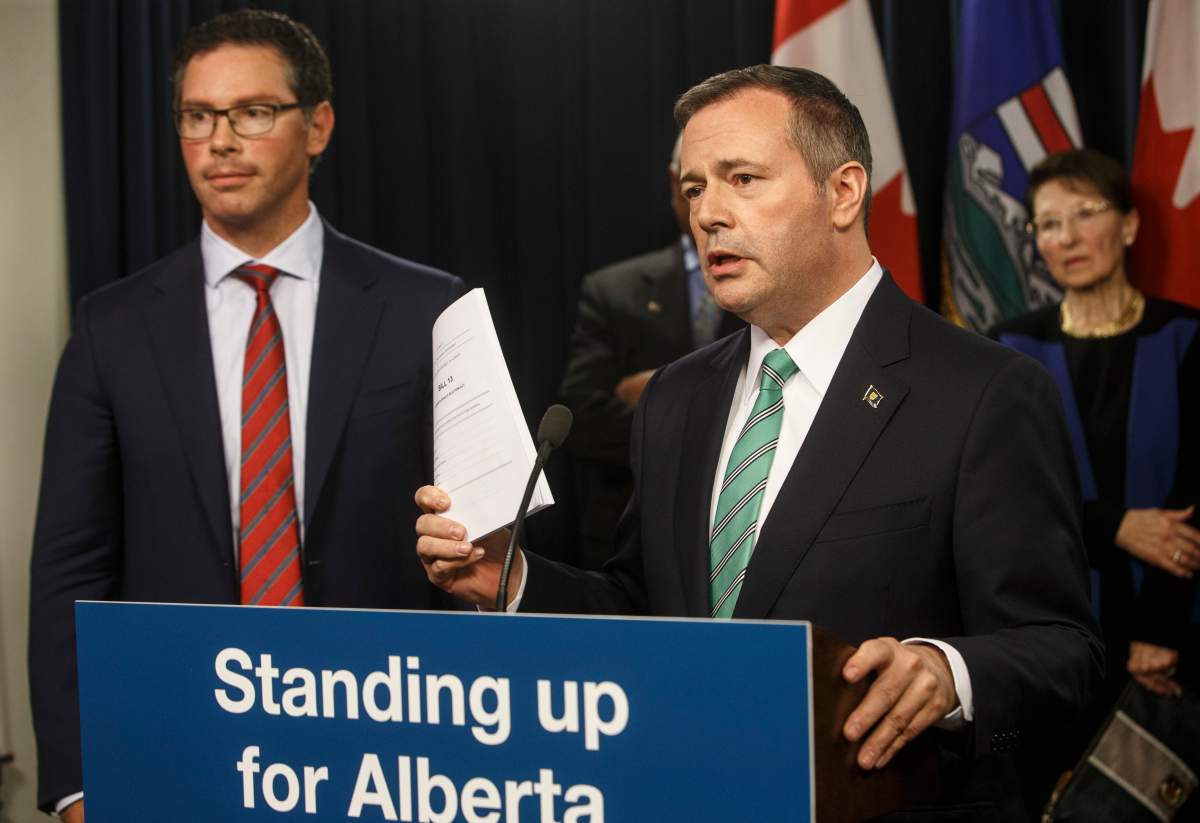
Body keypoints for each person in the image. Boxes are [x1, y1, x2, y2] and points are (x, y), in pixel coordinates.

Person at [415, 65, 1103, 817]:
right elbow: (647, 609)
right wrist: (510, 578)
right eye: (693, 188)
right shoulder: (677, 397)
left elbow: (1062, 649)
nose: (708, 213)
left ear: (843, 192)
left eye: (742, 178)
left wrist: (948, 671)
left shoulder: (982, 391)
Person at [28, 10, 463, 820]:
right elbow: (68, 571)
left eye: (253, 113)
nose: (220, 140)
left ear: (318, 125)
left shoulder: (425, 307)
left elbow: (478, 557)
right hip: (175, 740)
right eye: (198, 116)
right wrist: (77, 781)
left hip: (386, 744)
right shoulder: (110, 325)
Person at [992, 148, 1200, 813]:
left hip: (1172, 631)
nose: (1068, 238)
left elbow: (1196, 494)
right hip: (1050, 633)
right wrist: (1116, 525)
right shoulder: (1008, 351)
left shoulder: (1188, 337)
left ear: (1131, 226)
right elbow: (1007, 499)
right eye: (1048, 225)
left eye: (1085, 215)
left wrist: (1160, 631)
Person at [560, 134, 740, 568]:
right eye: (696, 187)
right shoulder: (614, 291)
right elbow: (579, 420)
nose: (713, 204)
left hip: (742, 527)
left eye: (738, 181)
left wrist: (660, 395)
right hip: (630, 540)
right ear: (673, 182)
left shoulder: (778, 288)